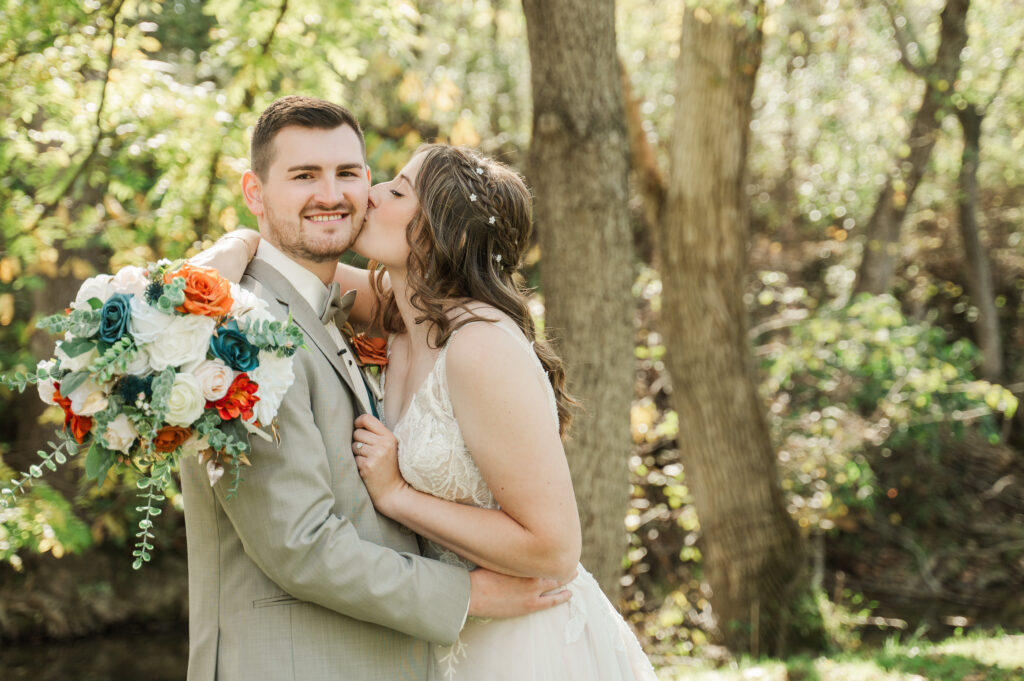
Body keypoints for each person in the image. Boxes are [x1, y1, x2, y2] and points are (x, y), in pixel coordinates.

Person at [203, 142, 657, 680]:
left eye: (395, 191)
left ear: (445, 233)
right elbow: (282, 272)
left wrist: (398, 495)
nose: (366, 196)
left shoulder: (479, 347)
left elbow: (554, 550)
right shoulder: (400, 316)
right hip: (443, 637)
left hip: (523, 638)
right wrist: (233, 246)